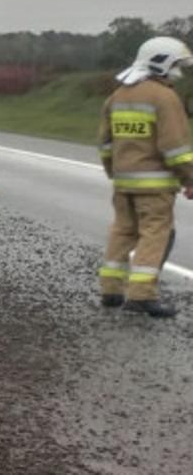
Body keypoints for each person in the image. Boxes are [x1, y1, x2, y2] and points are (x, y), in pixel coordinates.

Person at [96, 36, 193, 318]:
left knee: (122, 232)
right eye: (176, 65)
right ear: (162, 63)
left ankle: (111, 290)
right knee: (155, 234)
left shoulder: (118, 96)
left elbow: (104, 144)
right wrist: (190, 178)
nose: (178, 72)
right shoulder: (164, 97)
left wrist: (114, 173)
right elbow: (174, 148)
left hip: (123, 183)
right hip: (155, 186)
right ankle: (141, 295)